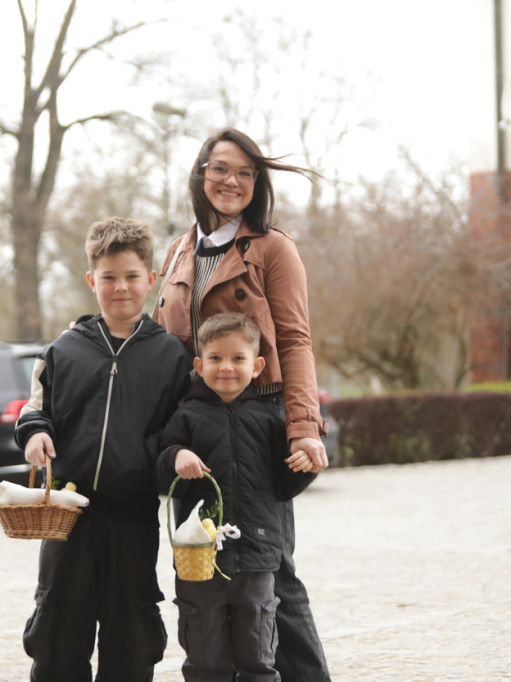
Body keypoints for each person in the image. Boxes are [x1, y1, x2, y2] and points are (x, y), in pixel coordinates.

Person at [153, 128, 332, 681]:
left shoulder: (274, 248)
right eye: (220, 168)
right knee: (203, 574)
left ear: (258, 184)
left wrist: (304, 427)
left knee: (271, 573)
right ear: (200, 172)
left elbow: (296, 340)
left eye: (245, 173)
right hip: (196, 425)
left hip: (257, 419)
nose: (231, 181)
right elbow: (167, 345)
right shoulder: (179, 250)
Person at [15, 216, 192, 682]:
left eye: (132, 277)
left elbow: (178, 431)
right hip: (68, 517)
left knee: (131, 636)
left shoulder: (171, 356)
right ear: (92, 280)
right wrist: (35, 435)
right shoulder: (63, 349)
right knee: (57, 634)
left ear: (150, 280)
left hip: (132, 517)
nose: (121, 288)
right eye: (109, 277)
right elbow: (35, 410)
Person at [155, 312, 317, 681]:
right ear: (199, 364)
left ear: (257, 365)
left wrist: (305, 466)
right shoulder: (186, 418)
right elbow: (161, 473)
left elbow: (282, 487)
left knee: (258, 660)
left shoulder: (268, 420)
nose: (225, 367)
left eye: (237, 358)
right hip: (201, 562)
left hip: (257, 560)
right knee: (205, 661)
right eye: (214, 358)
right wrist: (176, 457)